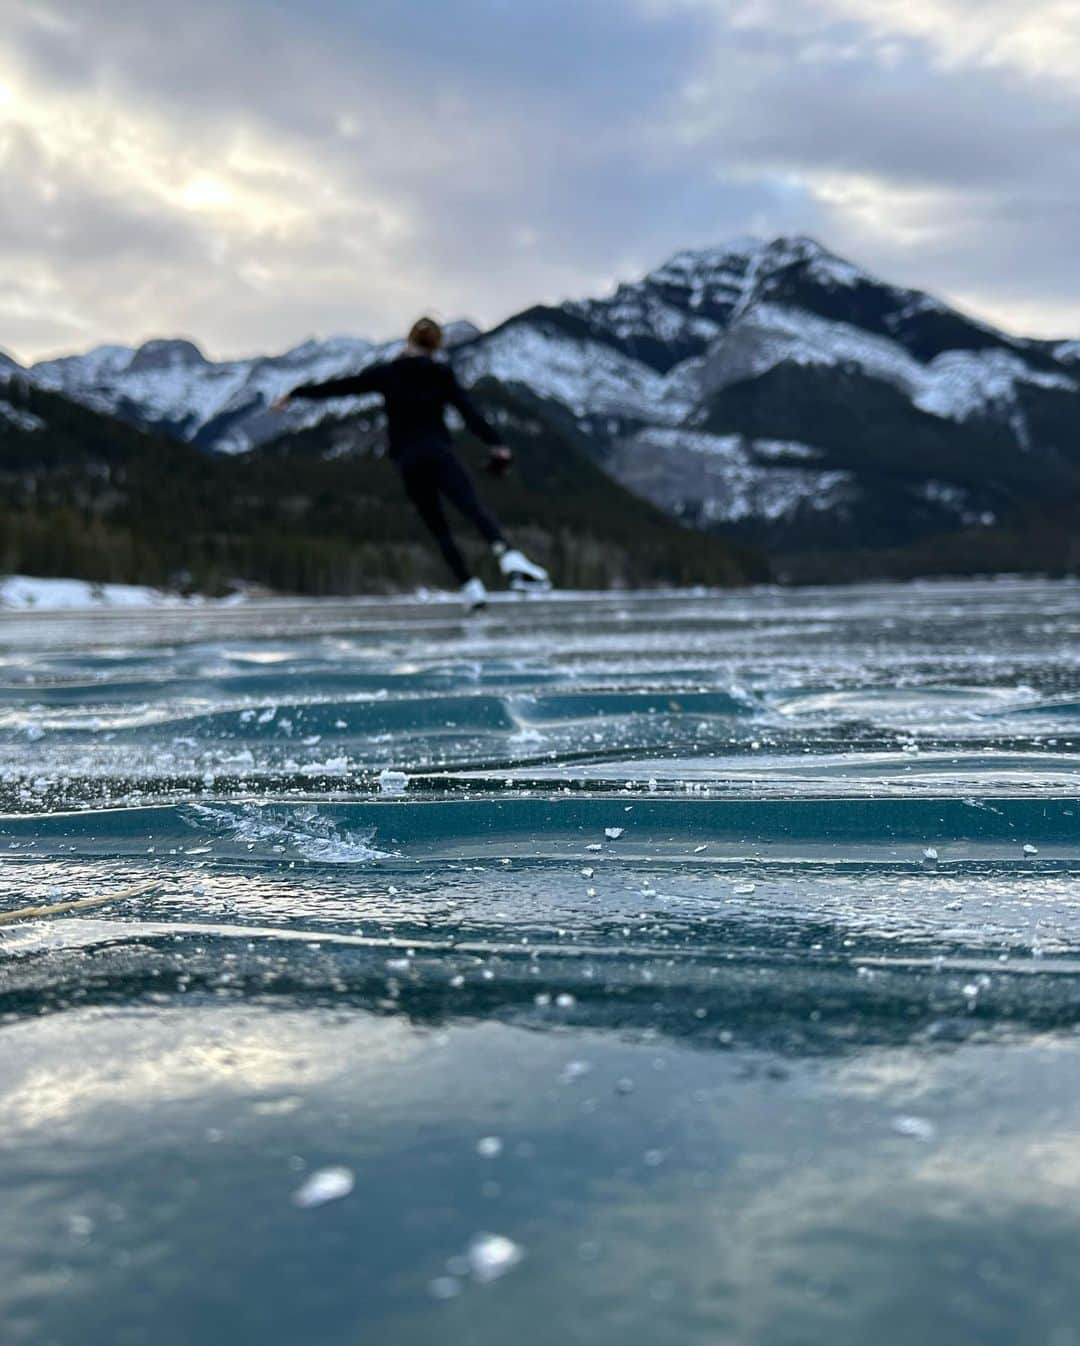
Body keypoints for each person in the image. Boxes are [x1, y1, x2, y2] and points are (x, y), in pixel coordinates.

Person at [273, 317, 549, 610]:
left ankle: (470, 588)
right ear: (436, 345)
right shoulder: (440, 374)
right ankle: (507, 555)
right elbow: (470, 415)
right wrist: (497, 444)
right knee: (472, 508)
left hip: (408, 460)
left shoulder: (389, 373)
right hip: (440, 453)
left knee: (438, 527)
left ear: (409, 340)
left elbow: (341, 386)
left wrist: (296, 393)